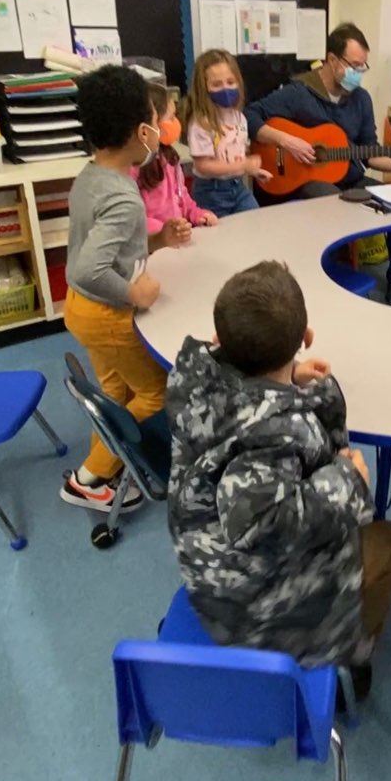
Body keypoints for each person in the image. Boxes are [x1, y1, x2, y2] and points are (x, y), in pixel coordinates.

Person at [166, 259, 391, 688]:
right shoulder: (274, 433)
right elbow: (261, 522)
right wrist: (346, 480)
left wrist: (285, 379)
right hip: (246, 606)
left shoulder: (195, 380)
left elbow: (240, 404)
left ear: (220, 338)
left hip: (205, 558)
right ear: (305, 338)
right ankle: (348, 659)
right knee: (389, 542)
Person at [61, 64, 191, 514]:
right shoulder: (123, 197)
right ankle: (89, 478)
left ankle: (103, 466)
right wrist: (135, 294)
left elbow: (108, 250)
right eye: (156, 121)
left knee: (115, 392)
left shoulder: (90, 176)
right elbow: (88, 269)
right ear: (142, 132)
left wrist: (158, 240)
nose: (160, 129)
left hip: (82, 309)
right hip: (105, 312)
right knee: (156, 392)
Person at [244, 22, 391, 310]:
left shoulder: (361, 99)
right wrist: (287, 141)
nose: (359, 72)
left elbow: (370, 153)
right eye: (354, 65)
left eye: (363, 66)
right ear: (332, 60)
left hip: (350, 179)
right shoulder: (300, 93)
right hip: (307, 182)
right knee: (330, 200)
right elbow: (250, 115)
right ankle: (328, 282)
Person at [183, 49, 272, 218]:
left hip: (238, 187)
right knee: (219, 231)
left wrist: (252, 170)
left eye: (231, 82)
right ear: (203, 89)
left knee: (256, 222)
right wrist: (243, 166)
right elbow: (203, 166)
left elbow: (236, 154)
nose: (225, 89)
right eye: (217, 84)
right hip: (211, 192)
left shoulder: (239, 118)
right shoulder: (201, 123)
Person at [133, 82, 218, 232]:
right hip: (154, 241)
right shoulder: (133, 167)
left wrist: (196, 214)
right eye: (171, 118)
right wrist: (165, 231)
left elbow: (181, 196)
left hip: (177, 236)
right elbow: (134, 219)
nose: (176, 123)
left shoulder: (169, 157)